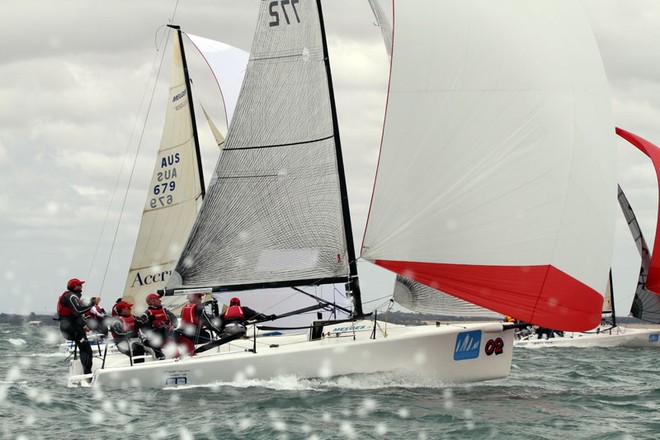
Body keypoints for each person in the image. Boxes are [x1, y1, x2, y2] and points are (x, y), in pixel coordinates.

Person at [56, 277, 100, 378]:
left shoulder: (72, 296)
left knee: (85, 348)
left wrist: (83, 325)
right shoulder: (71, 296)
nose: (81, 287)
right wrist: (92, 304)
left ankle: (86, 373)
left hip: (72, 327)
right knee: (86, 348)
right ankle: (87, 375)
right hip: (70, 328)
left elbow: (75, 315)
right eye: (79, 285)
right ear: (74, 286)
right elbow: (78, 311)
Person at [136, 293, 178, 359]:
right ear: (153, 302)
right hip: (155, 336)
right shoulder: (147, 313)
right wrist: (150, 323)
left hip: (167, 334)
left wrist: (172, 325)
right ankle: (160, 355)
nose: (160, 301)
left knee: (178, 334)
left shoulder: (165, 311)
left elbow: (174, 320)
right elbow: (143, 327)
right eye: (158, 299)